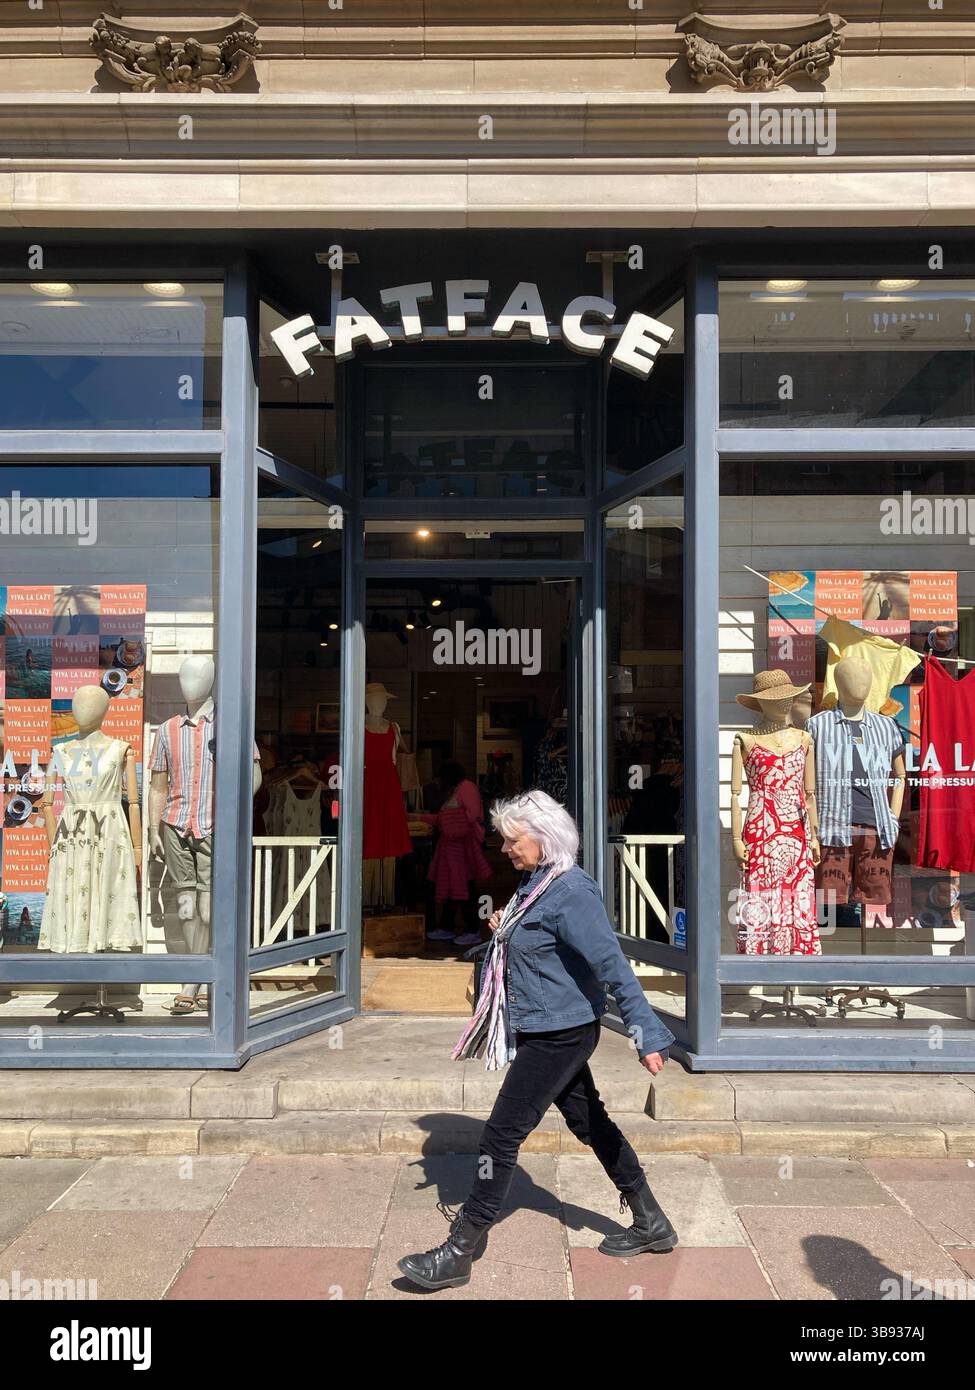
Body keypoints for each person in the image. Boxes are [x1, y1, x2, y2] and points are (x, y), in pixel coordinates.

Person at [398, 789, 678, 1292]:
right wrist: (502, 930)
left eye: (511, 839)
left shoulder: (572, 891)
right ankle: (651, 1220)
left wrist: (646, 1034)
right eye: (503, 839)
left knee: (501, 1135)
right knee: (589, 1121)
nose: (504, 848)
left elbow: (612, 966)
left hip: (561, 1033)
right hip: (545, 1025)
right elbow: (536, 943)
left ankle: (461, 1248)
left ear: (544, 837)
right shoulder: (536, 883)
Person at [422, 761, 489, 948]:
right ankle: (447, 926)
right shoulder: (458, 789)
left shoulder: (466, 788)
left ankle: (472, 929)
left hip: (463, 847)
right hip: (454, 847)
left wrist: (446, 822)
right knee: (455, 885)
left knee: (464, 886)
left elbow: (473, 814)